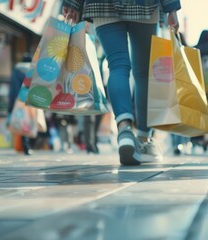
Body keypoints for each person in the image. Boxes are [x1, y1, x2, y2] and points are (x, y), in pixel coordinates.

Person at [62, 0, 181, 165]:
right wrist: (172, 7)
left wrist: (72, 3)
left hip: (102, 5)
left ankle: (124, 130)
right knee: (144, 73)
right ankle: (144, 140)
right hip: (144, 5)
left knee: (117, 65)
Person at [8, 53, 33, 155]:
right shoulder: (33, 70)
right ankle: (28, 145)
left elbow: (13, 88)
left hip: (19, 100)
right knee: (30, 122)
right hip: (30, 99)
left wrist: (10, 105)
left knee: (21, 121)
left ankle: (24, 145)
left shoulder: (16, 70)